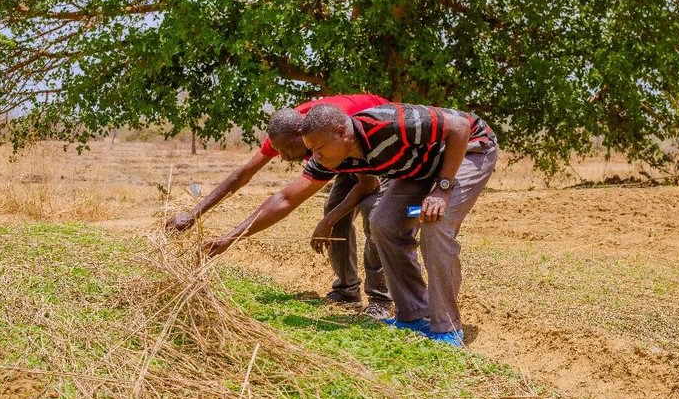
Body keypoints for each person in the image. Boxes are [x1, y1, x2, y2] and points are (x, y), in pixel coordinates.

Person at [204, 102, 498, 347]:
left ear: (342, 132)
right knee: (383, 221)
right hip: (417, 167)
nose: (315, 159)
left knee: (436, 221)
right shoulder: (330, 157)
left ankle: (446, 328)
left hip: (469, 149)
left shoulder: (389, 123)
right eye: (312, 152)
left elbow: (459, 127)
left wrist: (442, 188)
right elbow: (284, 199)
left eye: (319, 149)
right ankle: (413, 315)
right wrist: (232, 237)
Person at [168, 94, 392, 317]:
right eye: (278, 151)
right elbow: (245, 176)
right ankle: (346, 291)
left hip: (382, 150)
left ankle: (380, 300)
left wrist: (327, 221)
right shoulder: (286, 131)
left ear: (301, 136)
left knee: (374, 212)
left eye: (285, 151)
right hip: (342, 154)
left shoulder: (329, 130)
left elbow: (365, 185)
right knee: (334, 209)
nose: (282, 157)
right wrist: (194, 215)